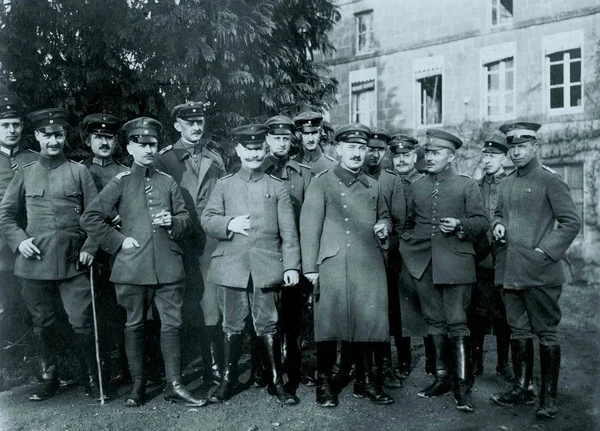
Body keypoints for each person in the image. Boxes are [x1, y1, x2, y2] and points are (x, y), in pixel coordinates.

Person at [80, 117, 206, 408]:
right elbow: (90, 218)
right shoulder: (120, 182)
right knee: (134, 324)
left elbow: (186, 220)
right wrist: (118, 241)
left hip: (168, 266)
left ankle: (174, 384)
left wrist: (173, 222)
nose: (149, 149)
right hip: (131, 266)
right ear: (130, 147)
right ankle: (138, 386)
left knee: (172, 324)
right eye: (142, 144)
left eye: (152, 144)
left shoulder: (168, 182)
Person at [0, 108, 100, 401]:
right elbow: (6, 215)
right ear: (38, 137)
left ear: (65, 136)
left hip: (73, 260)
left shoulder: (79, 172)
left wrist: (90, 247)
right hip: (34, 261)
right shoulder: (26, 173)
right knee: (42, 321)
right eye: (47, 135)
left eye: (58, 134)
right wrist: (19, 242)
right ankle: (49, 377)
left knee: (81, 319)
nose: (53, 140)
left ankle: (91, 377)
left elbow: (96, 216)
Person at [201, 124, 301, 406]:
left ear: (265, 150)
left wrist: (291, 266)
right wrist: (228, 224)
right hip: (231, 266)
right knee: (231, 325)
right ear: (239, 150)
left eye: (259, 149)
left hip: (266, 267)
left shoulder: (277, 187)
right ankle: (228, 381)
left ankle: (275, 382)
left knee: (267, 323)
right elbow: (207, 219)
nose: (255, 154)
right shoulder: (225, 184)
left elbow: (289, 232)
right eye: (249, 149)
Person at [490, 122, 581, 420]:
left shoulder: (550, 181)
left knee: (546, 333)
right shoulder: (506, 183)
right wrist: (498, 224)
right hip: (511, 271)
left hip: (541, 273)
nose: (515, 152)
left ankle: (548, 398)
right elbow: (499, 213)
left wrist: (546, 251)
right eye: (511, 147)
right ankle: (522, 388)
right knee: (518, 330)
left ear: (534, 147)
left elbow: (570, 222)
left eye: (521, 147)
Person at [300, 123, 393, 408]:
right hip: (333, 263)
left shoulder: (373, 185)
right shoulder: (322, 182)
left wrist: (384, 227)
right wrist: (310, 268)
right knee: (328, 326)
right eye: (351, 147)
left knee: (368, 323)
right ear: (338, 149)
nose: (357, 153)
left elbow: (386, 217)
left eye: (362, 148)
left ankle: (365, 382)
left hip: (367, 264)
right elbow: (309, 227)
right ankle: (325, 384)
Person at [400, 129, 488, 413]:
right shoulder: (417, 186)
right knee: (433, 321)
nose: (430, 157)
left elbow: (481, 222)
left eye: (437, 153)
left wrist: (461, 225)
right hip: (423, 264)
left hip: (456, 262)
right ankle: (441, 379)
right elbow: (408, 223)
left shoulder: (467, 185)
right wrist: (408, 249)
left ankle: (462, 386)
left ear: (451, 156)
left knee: (458, 321)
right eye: (428, 153)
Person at [155, 100, 227, 385]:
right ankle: (177, 371)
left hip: (209, 243)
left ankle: (214, 368)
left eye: (200, 122)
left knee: (210, 305)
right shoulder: (164, 160)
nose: (197, 127)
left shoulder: (216, 160)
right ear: (177, 126)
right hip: (177, 241)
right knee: (179, 306)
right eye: (189, 123)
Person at [261, 115, 312, 394]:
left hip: (294, 253)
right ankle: (266, 370)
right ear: (267, 140)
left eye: (285, 138)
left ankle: (293, 368)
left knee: (292, 317)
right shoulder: (258, 168)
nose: (281, 143)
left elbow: (308, 217)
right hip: (265, 252)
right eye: (276, 138)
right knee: (266, 314)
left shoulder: (302, 173)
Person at [82, 113, 129, 384]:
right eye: (98, 137)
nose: (103, 142)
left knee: (122, 309)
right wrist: (89, 244)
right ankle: (100, 373)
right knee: (94, 314)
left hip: (120, 251)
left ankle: (128, 367)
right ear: (88, 141)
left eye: (109, 137)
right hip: (91, 255)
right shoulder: (80, 171)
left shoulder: (123, 172)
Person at [361, 127, 406, 389]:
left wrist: (388, 250)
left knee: (385, 314)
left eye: (379, 150)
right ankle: (359, 365)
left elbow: (399, 222)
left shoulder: (392, 180)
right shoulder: (353, 176)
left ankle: (385, 367)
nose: (374, 154)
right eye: (370, 148)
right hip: (356, 256)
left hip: (385, 257)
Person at [0, 94, 39, 390]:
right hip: (1, 253)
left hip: (31, 247)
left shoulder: (33, 159)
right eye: (5, 125)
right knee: (6, 309)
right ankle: (6, 371)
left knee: (35, 308)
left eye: (15, 124)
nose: (11, 130)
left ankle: (43, 368)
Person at [470, 133, 513, 382]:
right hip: (481, 260)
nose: (487, 160)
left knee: (505, 314)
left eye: (493, 156)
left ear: (504, 158)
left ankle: (503, 364)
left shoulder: (510, 185)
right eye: (484, 155)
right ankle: (476, 362)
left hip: (505, 259)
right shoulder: (475, 186)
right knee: (479, 312)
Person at [389, 134, 431, 379]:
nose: (402, 160)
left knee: (425, 305)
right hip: (393, 254)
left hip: (419, 252)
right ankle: (403, 360)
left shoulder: (424, 182)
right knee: (396, 310)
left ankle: (432, 359)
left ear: (414, 157)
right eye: (397, 156)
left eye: (406, 155)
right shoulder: (388, 181)